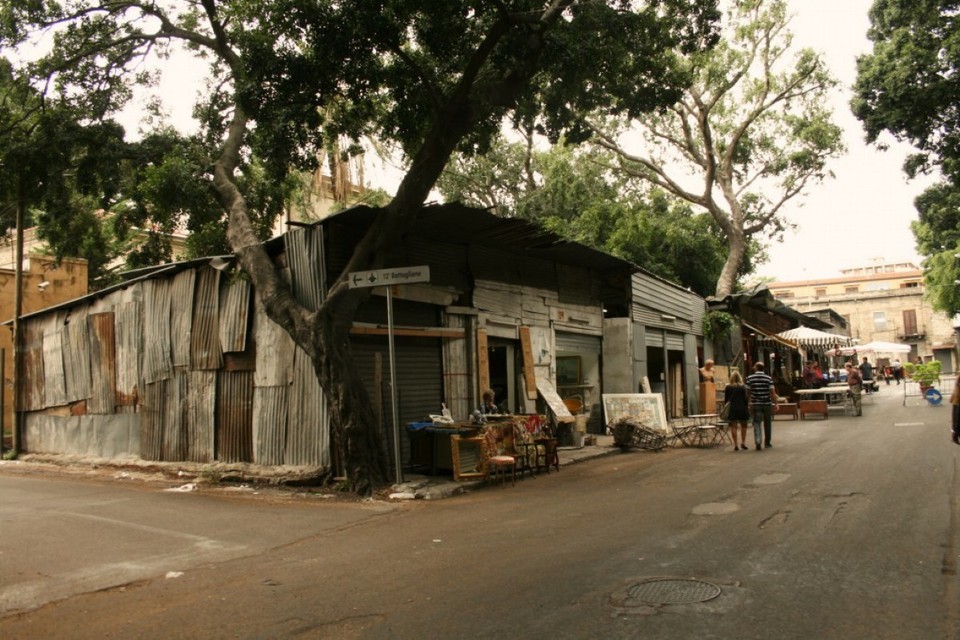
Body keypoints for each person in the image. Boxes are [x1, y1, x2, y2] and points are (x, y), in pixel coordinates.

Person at [746, 362, 778, 450]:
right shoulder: (768, 378)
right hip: (767, 403)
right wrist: (775, 403)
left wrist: (748, 403)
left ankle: (758, 441)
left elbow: (748, 392)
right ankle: (767, 443)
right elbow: (772, 392)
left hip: (756, 403)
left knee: (756, 422)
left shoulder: (750, 378)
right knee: (767, 423)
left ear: (756, 367)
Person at [723, 370, 751, 451]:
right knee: (744, 425)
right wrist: (747, 407)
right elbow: (745, 399)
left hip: (732, 408)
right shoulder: (743, 387)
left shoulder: (728, 387)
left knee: (734, 426)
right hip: (742, 407)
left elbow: (726, 400)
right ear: (740, 378)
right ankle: (743, 442)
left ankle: (735, 444)